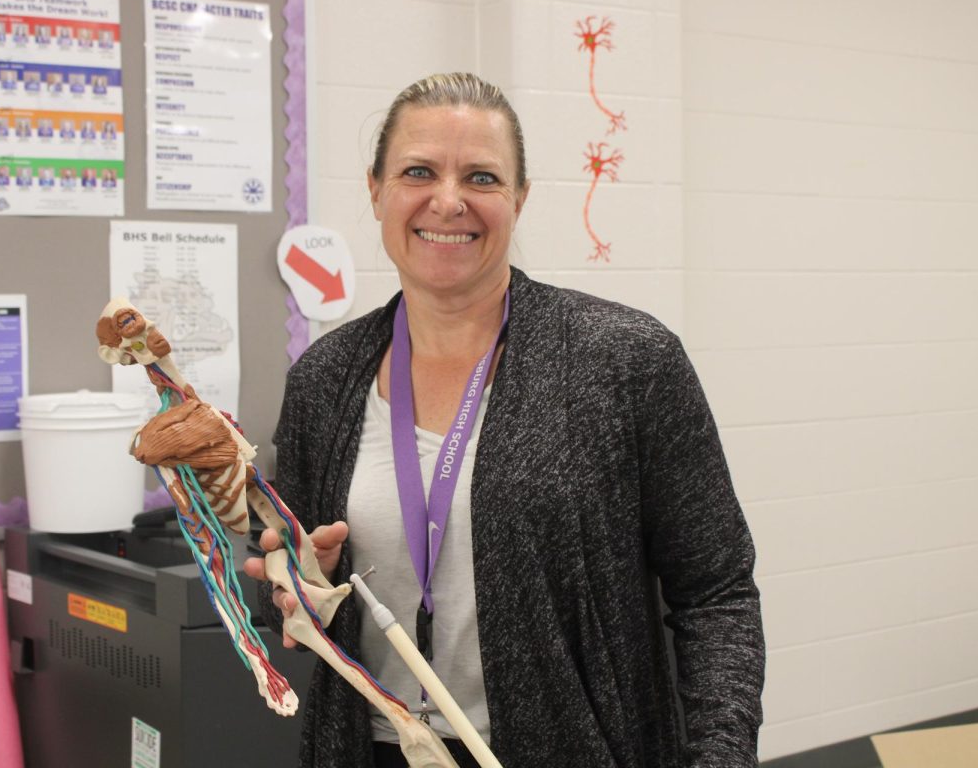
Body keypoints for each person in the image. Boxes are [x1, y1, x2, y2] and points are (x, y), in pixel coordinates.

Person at [244, 73, 764, 768]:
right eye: (419, 171)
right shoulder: (325, 380)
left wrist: (721, 757)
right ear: (376, 191)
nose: (449, 200)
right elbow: (289, 583)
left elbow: (716, 594)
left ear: (518, 198)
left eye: (482, 177)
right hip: (372, 750)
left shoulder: (626, 363)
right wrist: (299, 585)